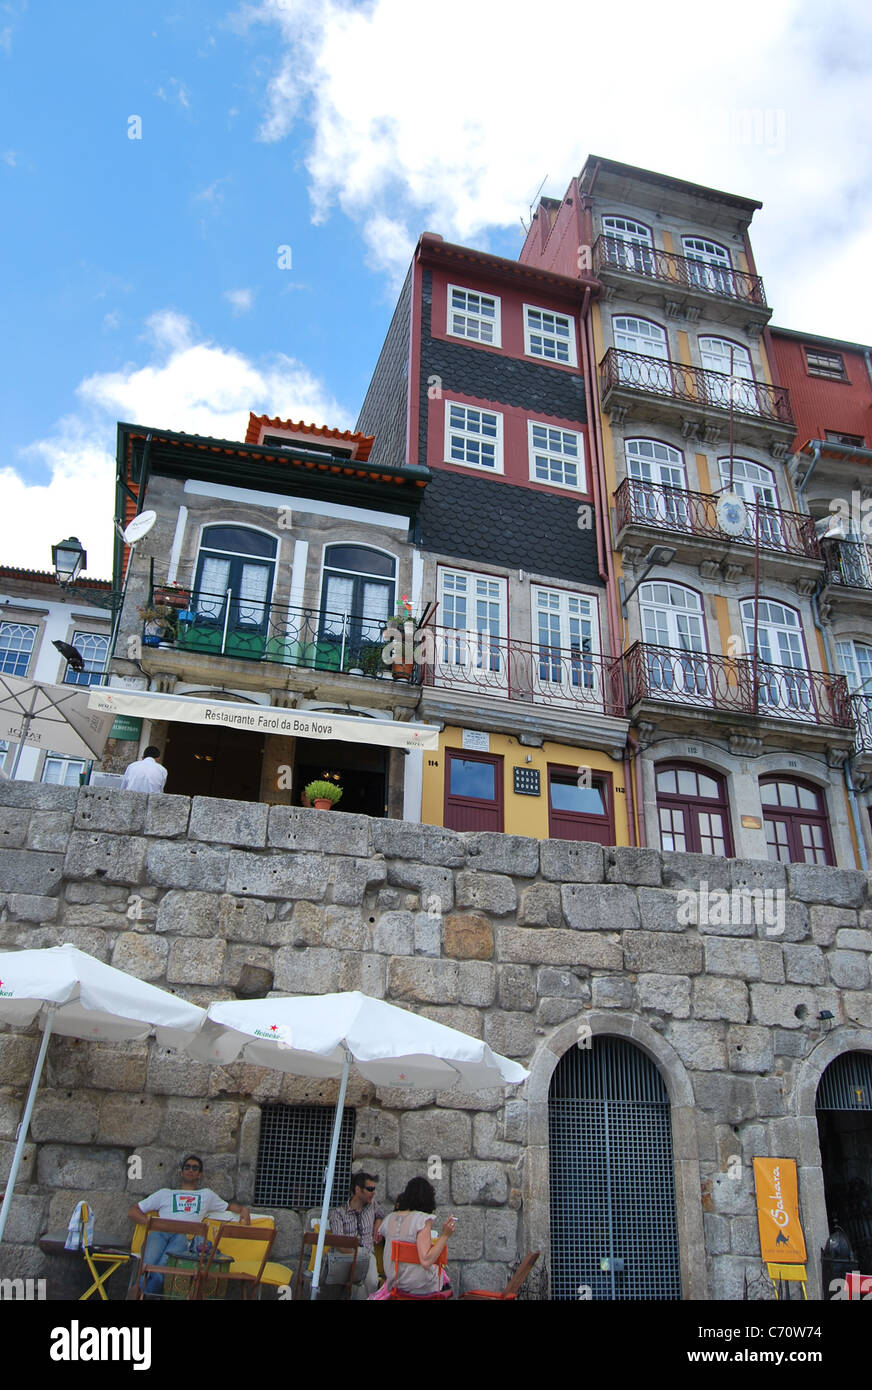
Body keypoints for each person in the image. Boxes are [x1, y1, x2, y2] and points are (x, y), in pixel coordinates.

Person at [128, 1155, 250, 1295]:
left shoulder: (206, 1195)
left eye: (195, 1168)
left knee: (163, 1266)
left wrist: (243, 1210)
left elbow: (229, 1207)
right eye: (187, 1167)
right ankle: (143, 1292)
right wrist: (151, 1224)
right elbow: (133, 1211)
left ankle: (140, 1291)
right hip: (160, 1231)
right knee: (147, 1263)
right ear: (181, 1172)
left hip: (184, 1236)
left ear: (199, 1175)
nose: (190, 1170)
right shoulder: (164, 1193)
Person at [380, 1178, 457, 1298]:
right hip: (419, 1285)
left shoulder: (389, 1218)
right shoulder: (422, 1220)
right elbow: (426, 1261)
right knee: (445, 1281)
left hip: (395, 1283)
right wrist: (445, 1235)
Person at [329, 1170, 385, 1297]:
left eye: (374, 1189)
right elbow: (339, 1243)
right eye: (370, 1189)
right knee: (358, 1282)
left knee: (370, 1281)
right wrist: (357, 1253)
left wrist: (378, 1223)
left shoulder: (373, 1206)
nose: (373, 1193)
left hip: (367, 1255)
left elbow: (381, 1214)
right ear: (358, 1190)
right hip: (346, 1256)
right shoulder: (338, 1213)